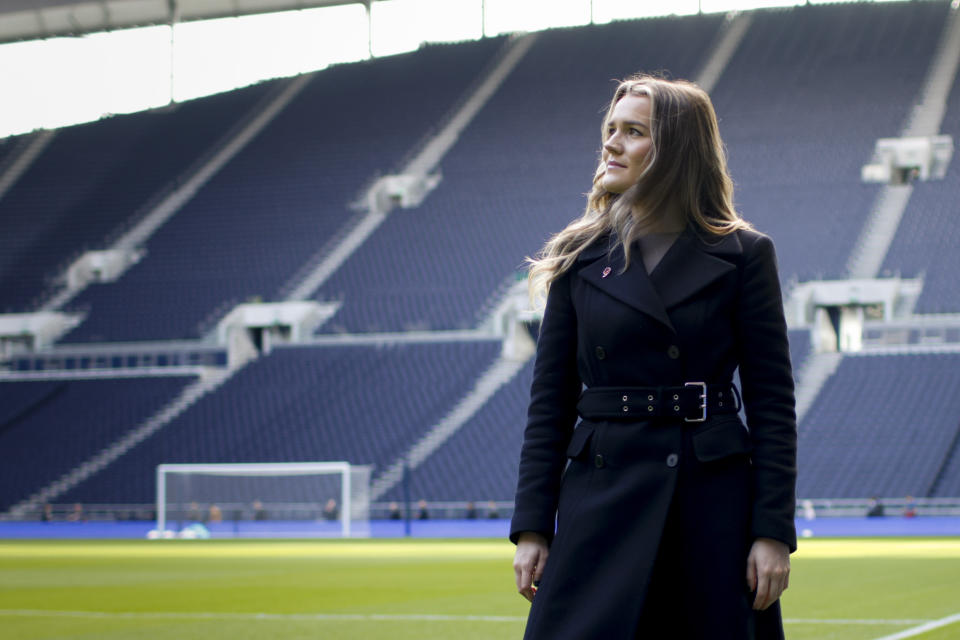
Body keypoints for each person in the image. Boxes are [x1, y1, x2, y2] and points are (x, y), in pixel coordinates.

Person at [510, 74, 797, 640]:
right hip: (600, 497)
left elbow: (772, 405)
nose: (612, 144)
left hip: (709, 503)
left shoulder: (744, 255)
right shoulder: (579, 256)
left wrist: (771, 532)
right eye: (610, 131)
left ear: (676, 149)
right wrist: (533, 528)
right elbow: (549, 403)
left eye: (633, 131)